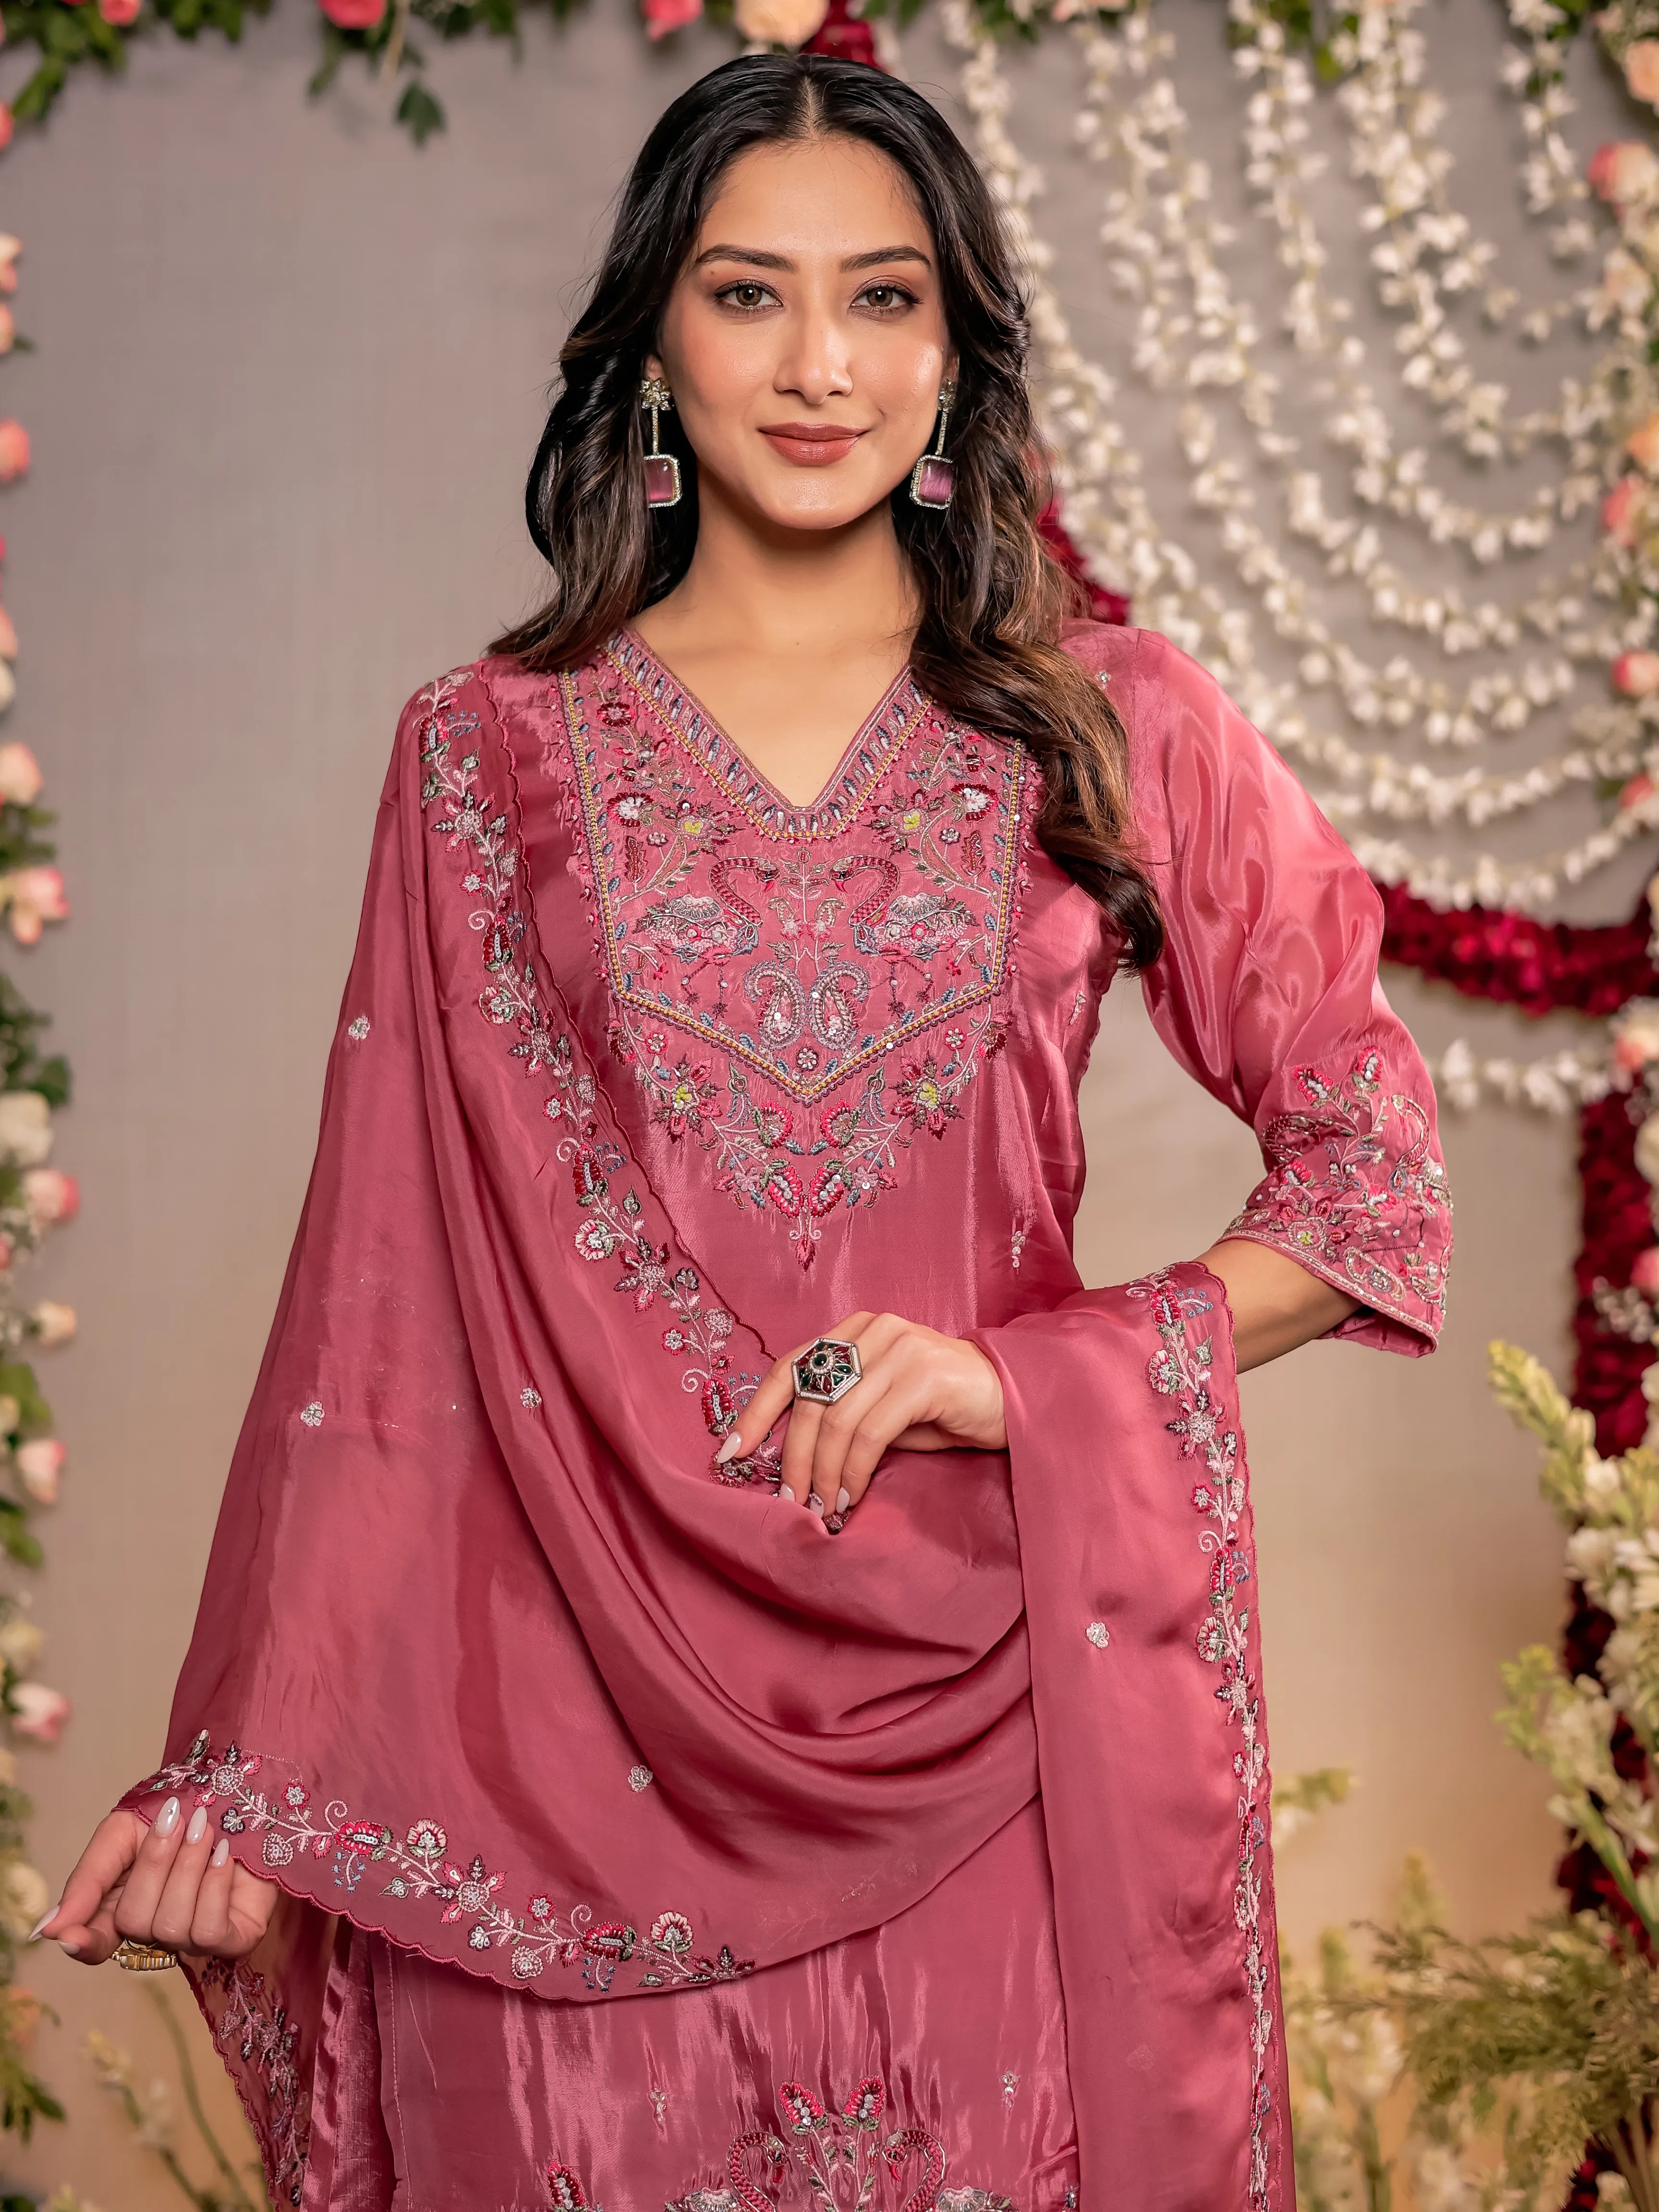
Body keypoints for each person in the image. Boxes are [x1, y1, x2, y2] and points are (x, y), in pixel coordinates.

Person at [35, 52, 1450, 2212]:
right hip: (551, 1742)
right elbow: (382, 1318)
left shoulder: (1110, 724)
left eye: (884, 301)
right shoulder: (480, 758)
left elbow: (1364, 1165)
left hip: (998, 1730)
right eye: (747, 295)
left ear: (959, 350)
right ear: (648, 344)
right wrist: (258, 1765)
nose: (818, 367)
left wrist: (1021, 1372)